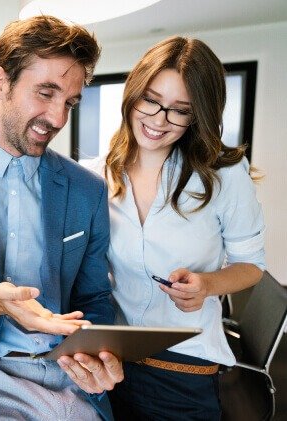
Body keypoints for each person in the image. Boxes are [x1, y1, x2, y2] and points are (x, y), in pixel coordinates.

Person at [0, 15, 123, 420]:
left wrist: (97, 358)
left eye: (70, 102)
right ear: (0, 81)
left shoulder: (87, 190)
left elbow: (93, 298)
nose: (58, 119)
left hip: (67, 377)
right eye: (45, 93)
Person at [85, 35, 265, 420]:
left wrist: (207, 285)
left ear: (198, 116)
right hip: (112, 360)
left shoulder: (224, 175)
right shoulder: (99, 174)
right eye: (150, 100)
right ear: (133, 93)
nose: (158, 120)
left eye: (179, 111)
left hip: (182, 367)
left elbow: (252, 266)